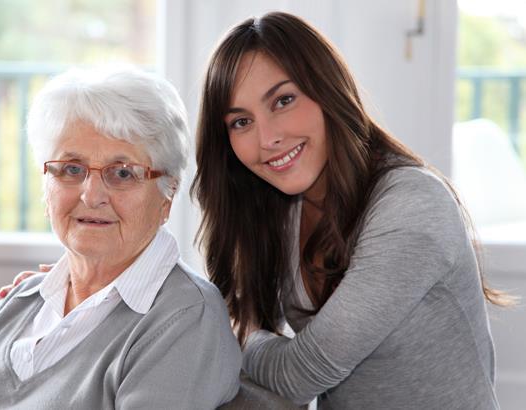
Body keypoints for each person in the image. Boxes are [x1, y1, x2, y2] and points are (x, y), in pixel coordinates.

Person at [190, 11, 509, 409]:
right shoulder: (281, 204)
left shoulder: (411, 205)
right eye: (241, 122)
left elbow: (301, 374)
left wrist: (239, 331)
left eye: (283, 100)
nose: (267, 138)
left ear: (327, 90)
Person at [0, 67, 241, 409]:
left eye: (123, 173)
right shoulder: (19, 301)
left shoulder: (185, 320)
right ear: (46, 187)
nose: (91, 194)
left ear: (167, 196)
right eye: (71, 169)